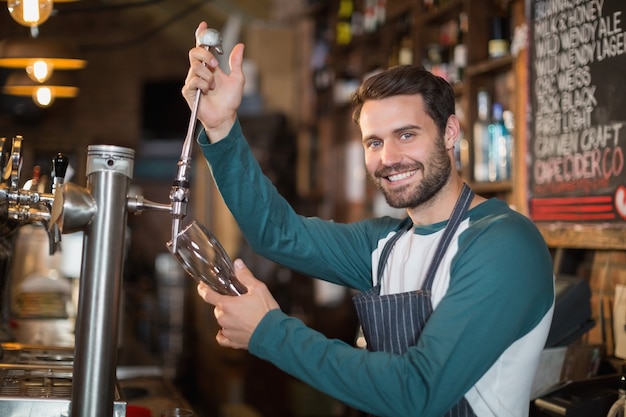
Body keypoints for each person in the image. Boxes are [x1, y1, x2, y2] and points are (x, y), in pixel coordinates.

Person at [182, 21, 555, 417]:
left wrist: (269, 332)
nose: (389, 157)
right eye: (374, 142)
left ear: (450, 133)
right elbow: (278, 234)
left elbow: (418, 393)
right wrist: (221, 127)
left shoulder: (504, 244)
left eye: (407, 134)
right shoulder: (388, 243)